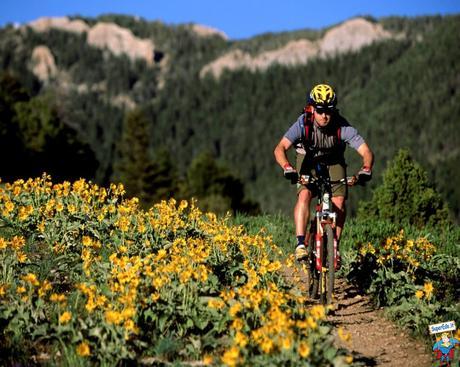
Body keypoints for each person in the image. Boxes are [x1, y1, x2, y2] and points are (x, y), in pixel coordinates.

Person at [274, 83, 374, 262]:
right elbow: (280, 148)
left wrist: (366, 168)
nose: (324, 115)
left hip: (333, 160)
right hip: (307, 159)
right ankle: (300, 244)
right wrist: (287, 167)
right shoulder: (303, 123)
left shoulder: (341, 125)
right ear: (312, 109)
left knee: (339, 202)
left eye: (329, 110)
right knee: (304, 194)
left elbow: (366, 151)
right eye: (320, 110)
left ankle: (333, 246)